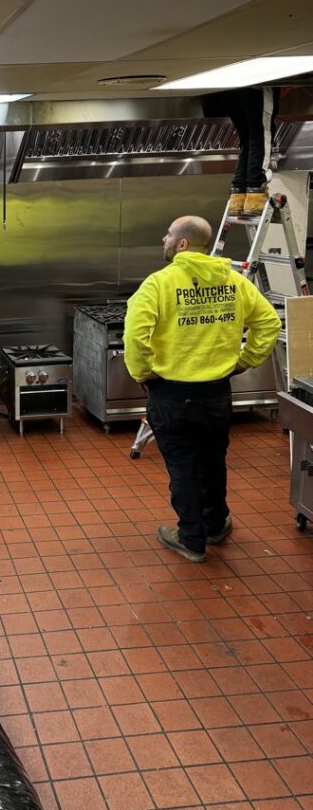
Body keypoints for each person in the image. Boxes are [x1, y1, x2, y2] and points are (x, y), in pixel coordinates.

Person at [123, 215, 281, 562]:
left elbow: (135, 336)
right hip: (216, 393)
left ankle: (191, 538)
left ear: (182, 244)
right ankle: (215, 524)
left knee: (182, 466)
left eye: (167, 235)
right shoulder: (233, 281)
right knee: (213, 460)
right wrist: (244, 361)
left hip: (171, 393)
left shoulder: (159, 284)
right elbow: (269, 322)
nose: (163, 239)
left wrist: (142, 373)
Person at [202, 87, 278, 217]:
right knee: (261, 135)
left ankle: (238, 196)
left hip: (230, 91)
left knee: (247, 140)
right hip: (256, 89)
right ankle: (256, 191)